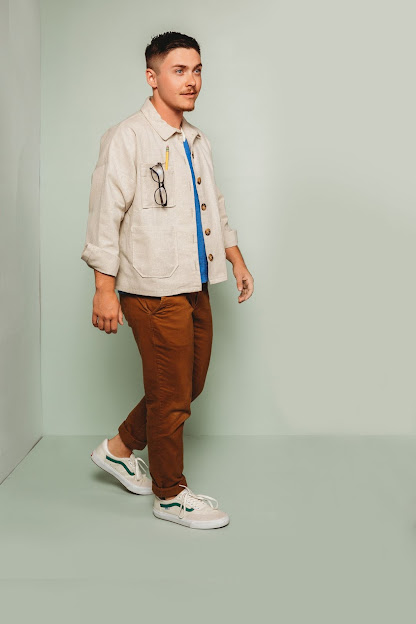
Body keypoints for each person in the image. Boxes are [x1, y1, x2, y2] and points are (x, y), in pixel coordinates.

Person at [81, 31, 254, 530]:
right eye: (179, 70)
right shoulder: (128, 137)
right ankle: (170, 493)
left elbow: (213, 204)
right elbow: (104, 215)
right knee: (172, 395)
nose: (191, 80)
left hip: (196, 282)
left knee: (187, 384)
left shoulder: (197, 140)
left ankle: (118, 449)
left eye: (197, 70)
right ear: (152, 77)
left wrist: (235, 258)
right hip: (152, 289)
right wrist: (104, 288)